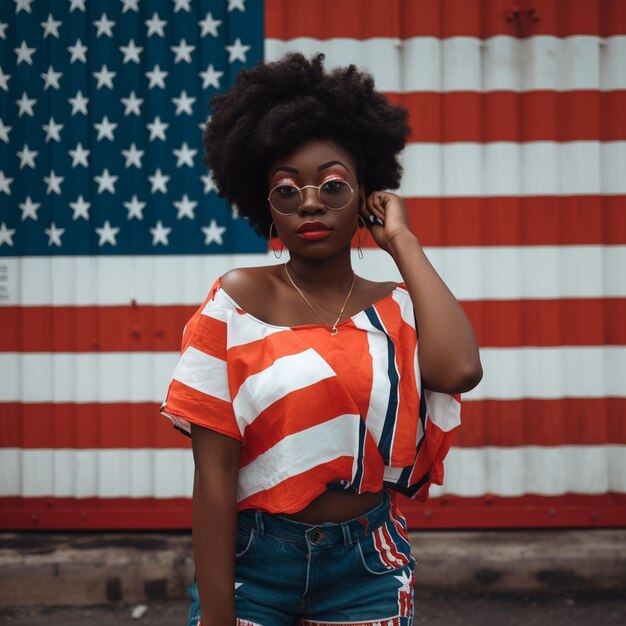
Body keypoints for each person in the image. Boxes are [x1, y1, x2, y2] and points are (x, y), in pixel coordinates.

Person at [161, 53, 482, 626]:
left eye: (333, 186)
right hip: (256, 563)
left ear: (365, 196)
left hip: (366, 567)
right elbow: (213, 473)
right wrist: (216, 614)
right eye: (287, 190)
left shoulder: (398, 307)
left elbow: (459, 371)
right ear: (267, 207)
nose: (310, 202)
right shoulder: (235, 303)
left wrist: (402, 242)